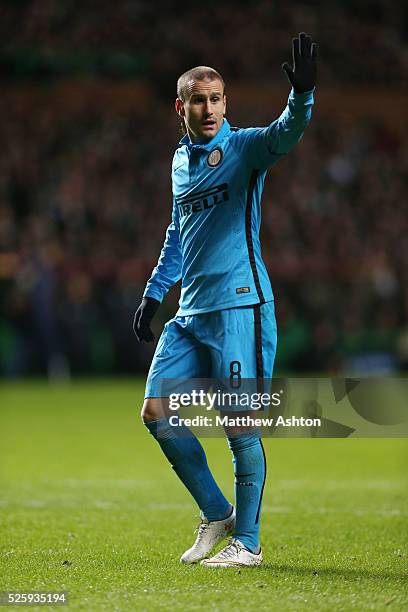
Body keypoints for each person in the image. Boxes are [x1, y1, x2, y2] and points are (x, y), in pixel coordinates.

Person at [134, 32, 317, 567]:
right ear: (181, 106)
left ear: (225, 104)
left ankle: (250, 543)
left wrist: (301, 96)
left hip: (239, 306)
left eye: (216, 98)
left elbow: (287, 133)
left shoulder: (242, 148)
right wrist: (153, 293)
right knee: (156, 412)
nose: (209, 107)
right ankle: (218, 514)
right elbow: (177, 233)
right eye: (198, 99)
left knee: (239, 425)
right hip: (190, 313)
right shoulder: (178, 164)